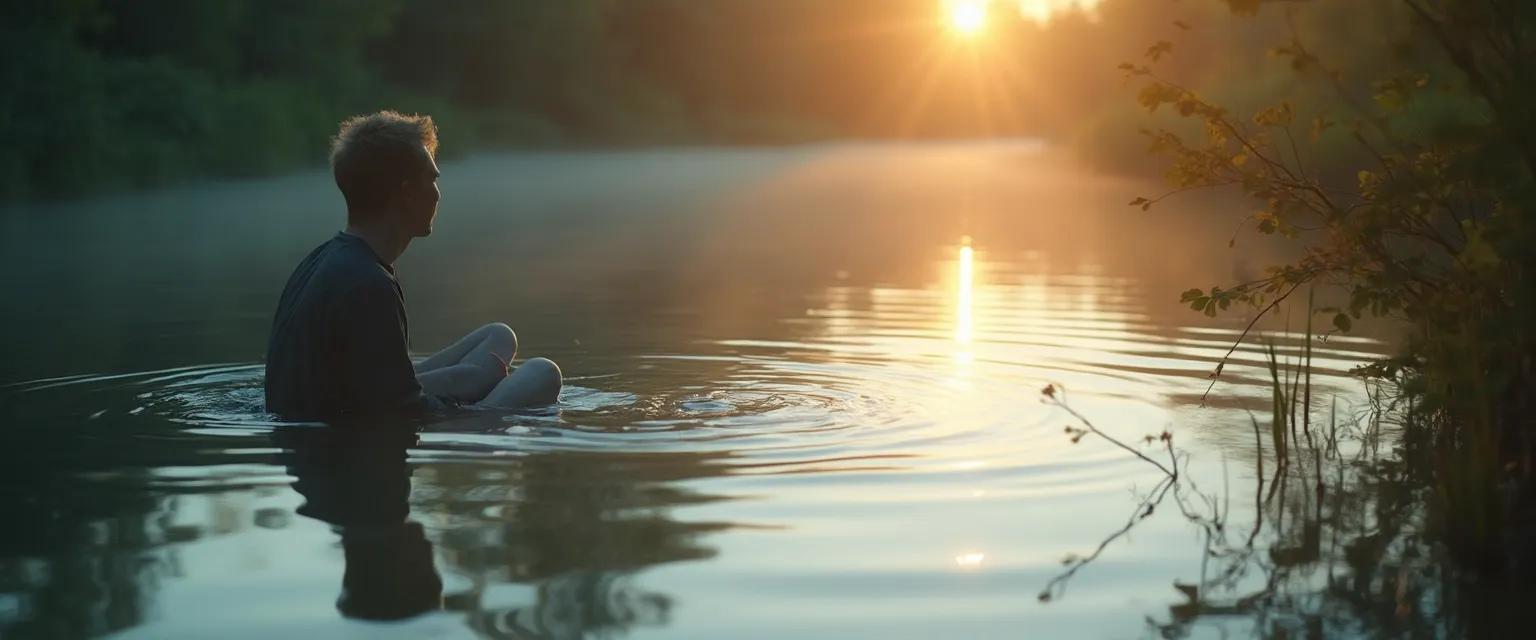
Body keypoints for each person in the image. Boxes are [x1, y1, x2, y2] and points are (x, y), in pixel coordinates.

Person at [264, 111, 561, 420]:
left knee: (499, 336)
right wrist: (464, 405)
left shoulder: (320, 260)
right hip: (346, 428)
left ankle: (476, 381)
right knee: (543, 374)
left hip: (356, 395)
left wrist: (464, 382)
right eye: (431, 179)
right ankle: (484, 405)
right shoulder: (369, 284)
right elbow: (401, 415)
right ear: (406, 193)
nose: (437, 193)